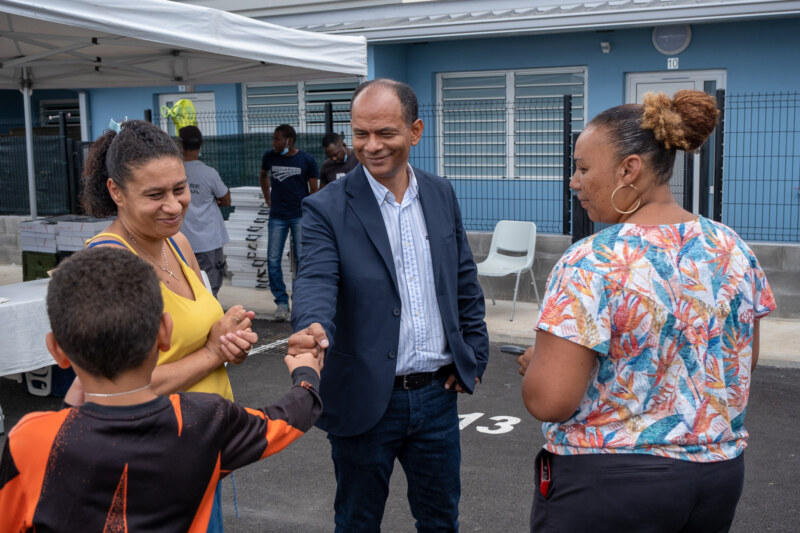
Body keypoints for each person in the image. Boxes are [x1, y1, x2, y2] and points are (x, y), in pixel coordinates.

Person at [517, 90, 776, 532]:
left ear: (629, 169)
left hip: (609, 483)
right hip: (716, 478)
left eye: (582, 168)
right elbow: (739, 362)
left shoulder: (591, 260)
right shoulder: (732, 248)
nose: (573, 182)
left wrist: (538, 365)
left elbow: (551, 400)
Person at [0, 247, 322, 532]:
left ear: (56, 352)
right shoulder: (205, 421)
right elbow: (288, 417)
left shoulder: (28, 439)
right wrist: (307, 372)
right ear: (164, 332)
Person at [288, 78, 489, 532]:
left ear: (415, 131)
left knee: (440, 521)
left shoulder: (440, 193)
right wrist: (312, 326)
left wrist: (473, 353)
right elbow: (317, 278)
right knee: (358, 522)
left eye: (385, 133)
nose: (371, 146)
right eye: (361, 134)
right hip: (362, 399)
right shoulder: (324, 207)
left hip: (438, 396)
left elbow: (462, 279)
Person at [77, 119, 258, 531]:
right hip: (149, 467)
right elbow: (124, 388)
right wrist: (213, 352)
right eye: (155, 195)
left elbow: (203, 334)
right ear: (116, 193)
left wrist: (230, 339)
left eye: (180, 189)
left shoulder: (177, 242)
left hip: (202, 452)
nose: (174, 205)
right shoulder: (111, 266)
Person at [259, 124, 319, 321]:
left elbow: (314, 189)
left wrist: (309, 211)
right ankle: (282, 303)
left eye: (277, 139)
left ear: (289, 141)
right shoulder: (270, 157)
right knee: (273, 259)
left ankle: (302, 299)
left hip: (300, 216)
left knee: (304, 259)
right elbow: (263, 175)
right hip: (277, 215)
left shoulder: (307, 160)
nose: (273, 143)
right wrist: (268, 197)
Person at [178, 125, 231, 297]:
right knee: (211, 288)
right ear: (202, 143)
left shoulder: (175, 172)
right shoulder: (209, 173)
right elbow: (226, 199)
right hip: (209, 242)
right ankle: (211, 321)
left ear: (180, 145)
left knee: (187, 288)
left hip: (182, 241)